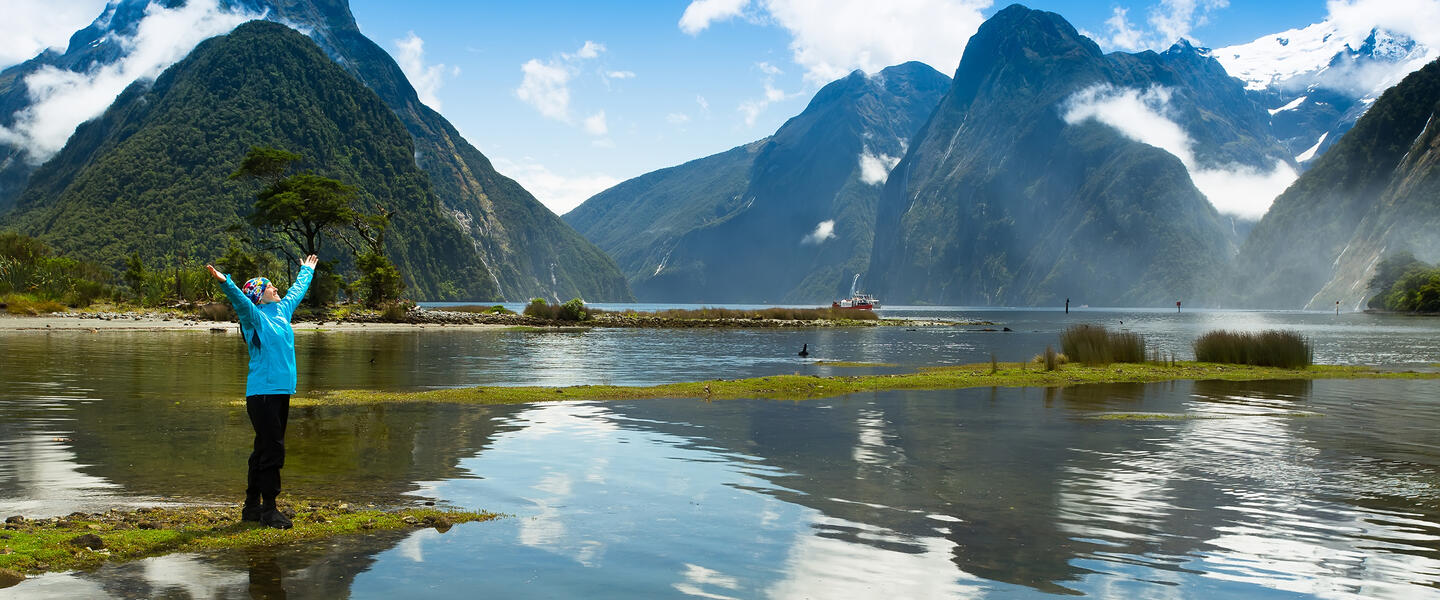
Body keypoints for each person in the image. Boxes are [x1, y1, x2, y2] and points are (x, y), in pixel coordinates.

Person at [206, 254, 318, 529]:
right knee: (273, 450)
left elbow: (296, 291)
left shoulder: (282, 310)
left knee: (262, 449)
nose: (276, 288)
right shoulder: (254, 317)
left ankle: (250, 507)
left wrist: (306, 271)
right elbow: (241, 302)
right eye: (269, 286)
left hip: (280, 392)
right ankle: (269, 509)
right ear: (259, 296)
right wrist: (226, 282)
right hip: (262, 394)